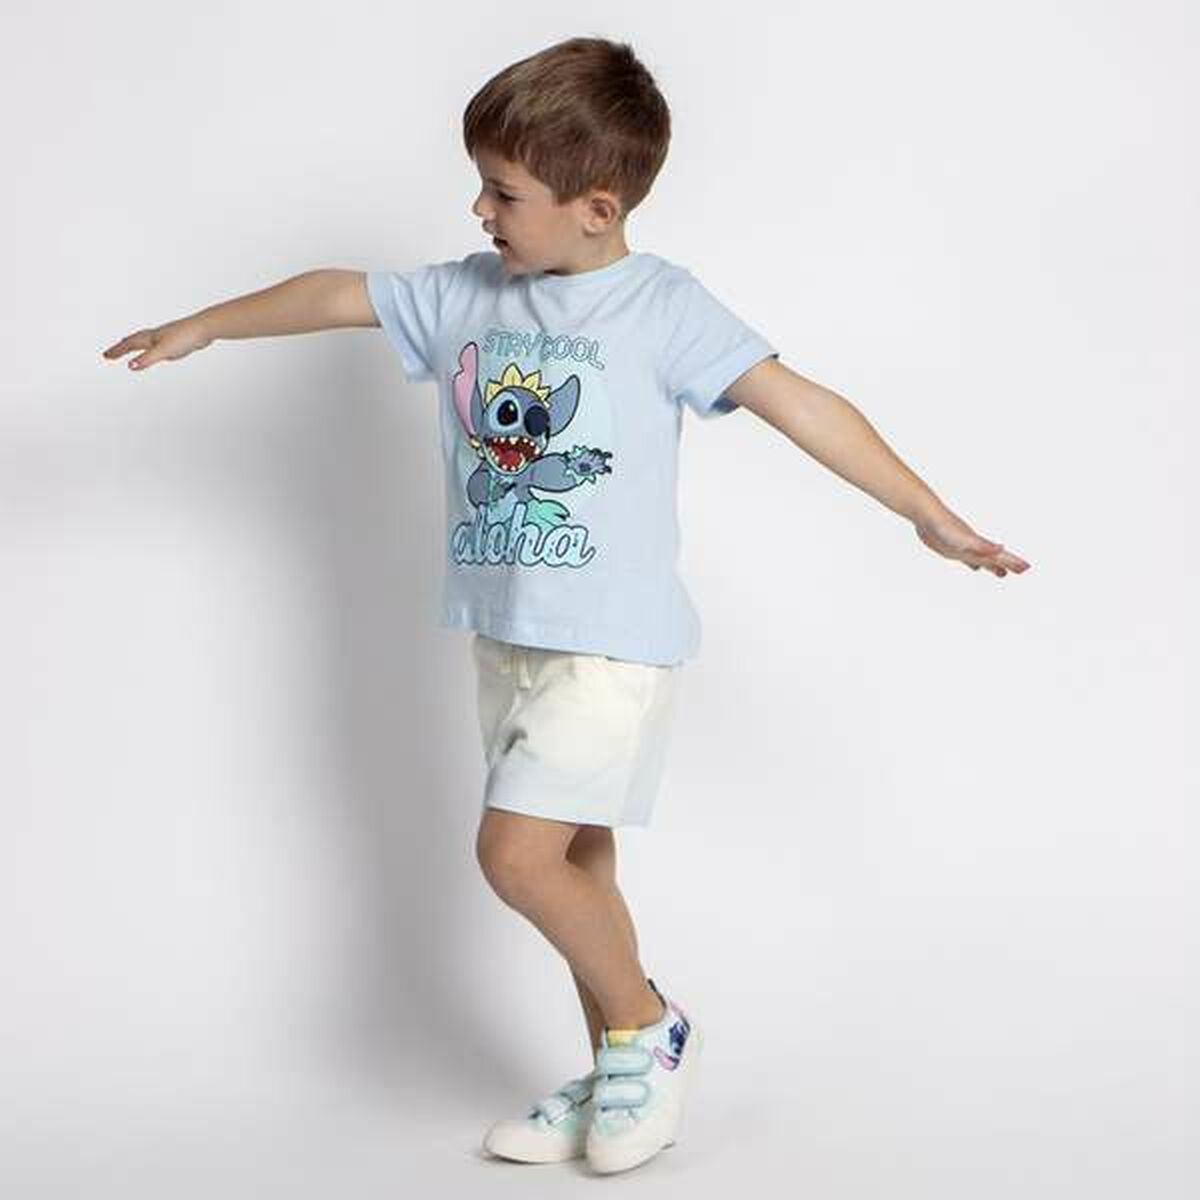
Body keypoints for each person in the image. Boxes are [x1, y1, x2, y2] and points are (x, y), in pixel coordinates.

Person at [101, 34, 1031, 1176]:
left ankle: (649, 1025)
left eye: (504, 193)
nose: (479, 210)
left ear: (597, 209)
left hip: (609, 648)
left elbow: (799, 403)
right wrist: (205, 322)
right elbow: (340, 289)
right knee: (578, 865)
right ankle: (614, 1071)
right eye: (482, 186)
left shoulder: (662, 308)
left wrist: (927, 513)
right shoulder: (470, 293)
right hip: (508, 639)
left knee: (515, 857)